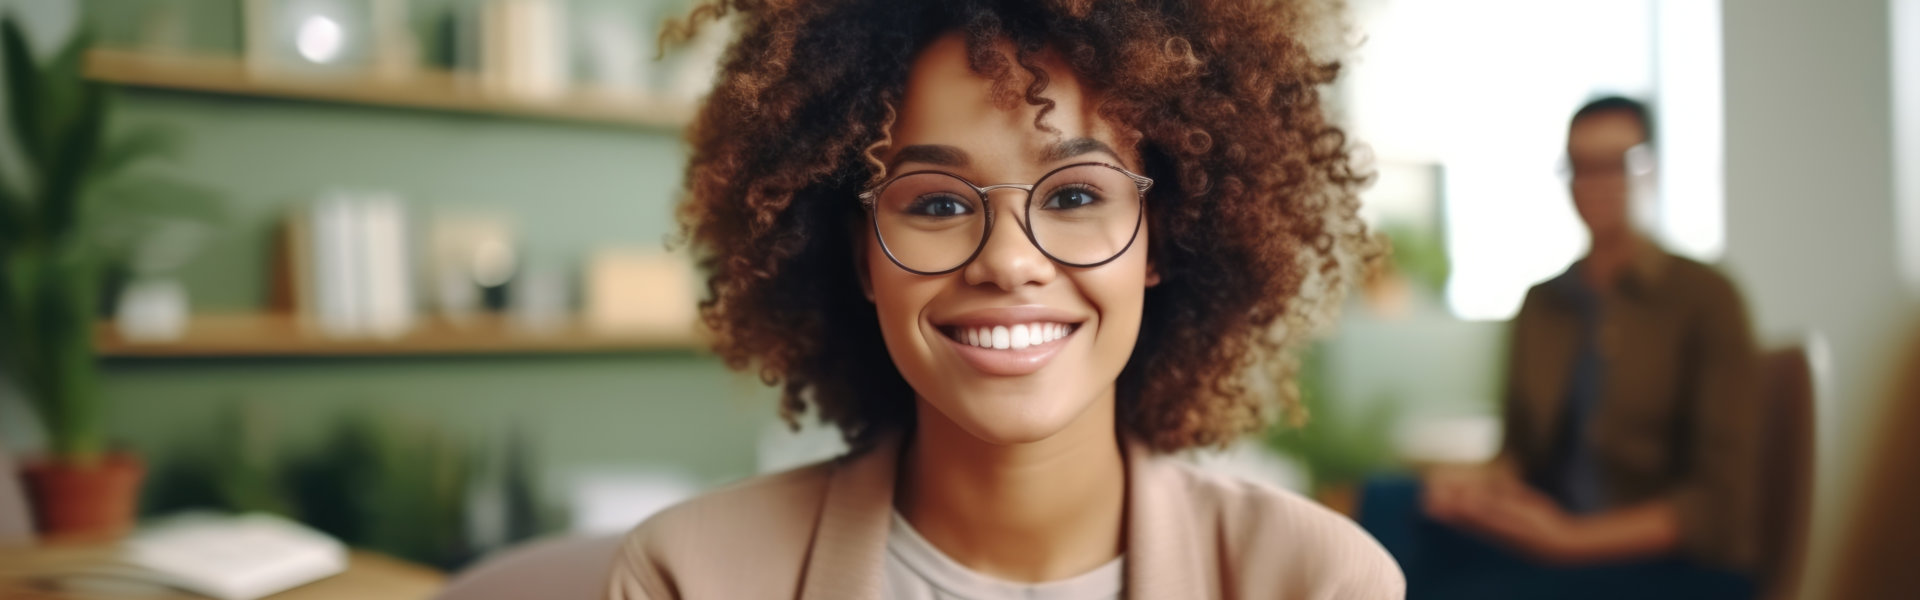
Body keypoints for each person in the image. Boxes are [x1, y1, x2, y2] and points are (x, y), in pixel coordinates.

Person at [604, 1, 1404, 598]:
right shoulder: (687, 577)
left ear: (1159, 238)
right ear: (859, 257)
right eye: (938, 204)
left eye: (1075, 195)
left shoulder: (1322, 583)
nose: (1010, 261)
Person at [1358, 96, 1760, 599]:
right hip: (1553, 530)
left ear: (1651, 170)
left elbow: (1718, 508)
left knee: (1451, 586)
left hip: (1663, 561)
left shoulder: (1705, 298)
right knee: (1387, 504)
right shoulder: (1543, 303)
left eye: (1617, 163)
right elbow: (1521, 454)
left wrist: (1571, 541)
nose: (1597, 181)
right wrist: (1479, 492)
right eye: (1582, 166)